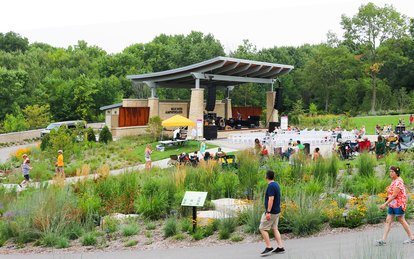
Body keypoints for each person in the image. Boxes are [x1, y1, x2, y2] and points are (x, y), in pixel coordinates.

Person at [376, 166, 414, 246]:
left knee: (401, 220)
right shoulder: (394, 181)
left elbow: (394, 195)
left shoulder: (399, 182)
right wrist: (387, 199)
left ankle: (411, 237)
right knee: (388, 220)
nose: (391, 173)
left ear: (397, 172)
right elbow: (391, 194)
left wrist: (385, 204)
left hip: (399, 204)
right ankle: (383, 240)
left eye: (392, 172)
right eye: (390, 171)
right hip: (392, 204)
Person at [259, 170, 285, 256]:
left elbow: (271, 199)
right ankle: (280, 247)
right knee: (274, 229)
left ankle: (268, 246)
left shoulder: (270, 186)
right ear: (273, 177)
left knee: (262, 228)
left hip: (272, 212)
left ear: (266, 177)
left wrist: (268, 212)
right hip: (277, 211)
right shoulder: (276, 184)